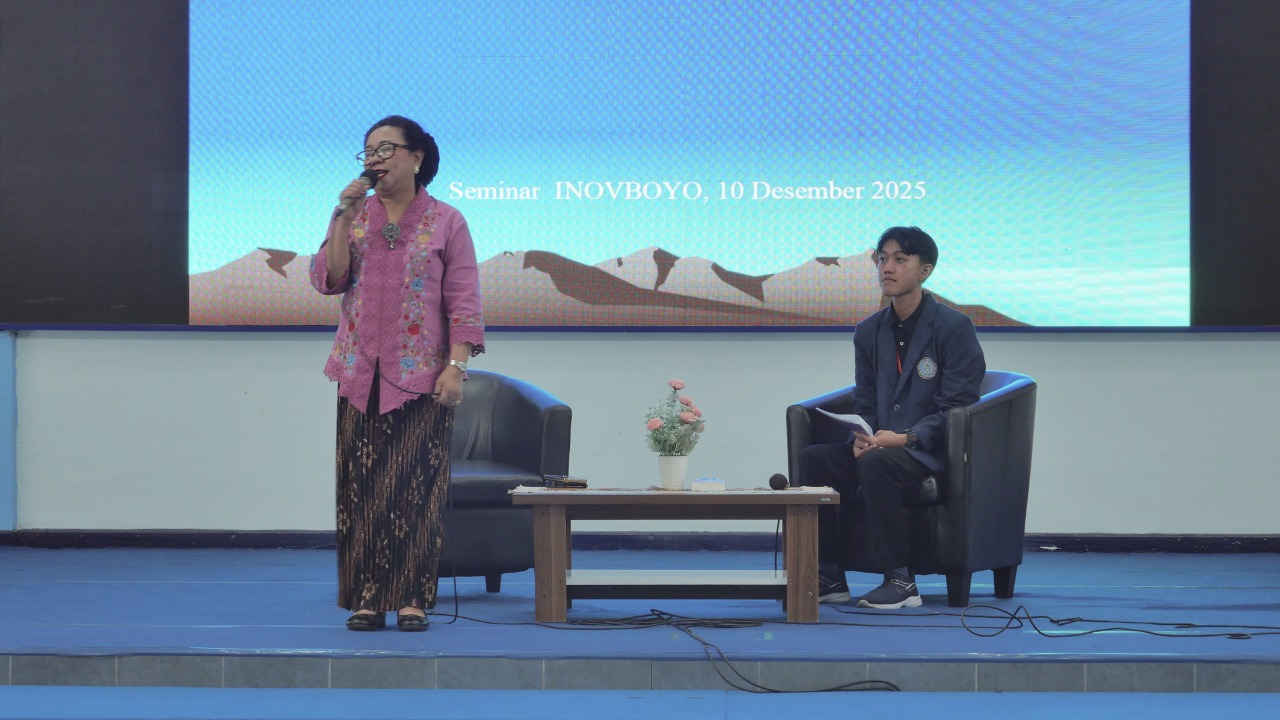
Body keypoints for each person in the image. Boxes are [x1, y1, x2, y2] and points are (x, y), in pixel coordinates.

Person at [309, 115, 484, 631]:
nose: (375, 159)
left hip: (420, 379)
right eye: (368, 151)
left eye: (386, 149)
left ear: (416, 157)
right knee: (360, 490)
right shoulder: (355, 215)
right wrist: (341, 220)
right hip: (358, 373)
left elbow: (464, 302)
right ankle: (366, 596)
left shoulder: (447, 220)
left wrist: (456, 367)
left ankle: (411, 596)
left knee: (415, 489)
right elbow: (329, 280)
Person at [799, 226, 984, 609]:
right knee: (816, 459)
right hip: (881, 444)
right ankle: (830, 576)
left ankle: (900, 580)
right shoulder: (869, 331)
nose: (887, 267)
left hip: (928, 451)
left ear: (925, 270)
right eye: (883, 259)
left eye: (900, 259)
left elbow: (958, 405)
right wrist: (861, 436)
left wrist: (906, 438)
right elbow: (865, 399)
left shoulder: (953, 327)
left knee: (878, 463)